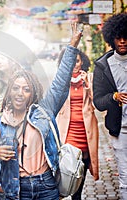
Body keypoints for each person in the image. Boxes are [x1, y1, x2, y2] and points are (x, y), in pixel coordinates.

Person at [0, 22, 83, 199]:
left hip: (46, 185)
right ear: (9, 92)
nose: (20, 93)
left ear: (33, 93)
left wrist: (72, 46)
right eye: (16, 88)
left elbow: (60, 82)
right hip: (16, 188)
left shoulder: (44, 112)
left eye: (26, 89)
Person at [56, 49, 99, 199]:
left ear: (83, 62)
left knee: (80, 174)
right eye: (71, 61)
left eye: (78, 61)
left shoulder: (90, 78)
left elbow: (97, 103)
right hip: (68, 133)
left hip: (86, 134)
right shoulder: (61, 80)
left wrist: (87, 84)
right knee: (66, 172)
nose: (75, 65)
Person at [93, 13, 127, 199]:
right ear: (111, 38)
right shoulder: (103, 66)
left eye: (126, 37)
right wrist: (114, 97)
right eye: (118, 37)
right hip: (120, 130)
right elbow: (98, 102)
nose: (122, 41)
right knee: (125, 179)